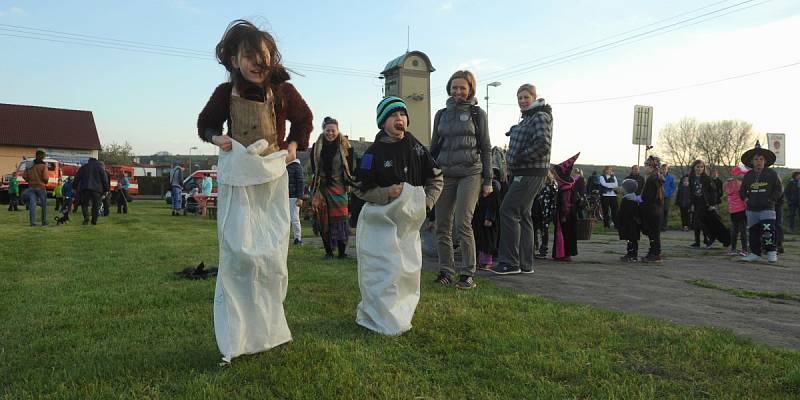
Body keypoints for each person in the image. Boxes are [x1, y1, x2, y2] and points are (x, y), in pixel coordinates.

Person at [196, 19, 313, 364]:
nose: (256, 63)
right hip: (239, 174)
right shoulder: (224, 93)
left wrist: (294, 145)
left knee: (271, 254)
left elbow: (305, 120)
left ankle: (268, 328)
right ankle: (238, 331)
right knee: (238, 251)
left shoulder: (283, 91)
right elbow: (206, 123)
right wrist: (217, 137)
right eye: (249, 56)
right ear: (234, 60)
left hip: (272, 175)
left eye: (262, 56)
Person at [353, 96, 443, 335]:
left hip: (408, 223)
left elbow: (436, 177)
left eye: (402, 114)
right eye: (393, 115)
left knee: (407, 269)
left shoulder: (417, 148)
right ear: (383, 122)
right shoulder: (373, 153)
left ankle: (401, 313)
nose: (399, 119)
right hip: (381, 220)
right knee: (384, 268)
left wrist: (427, 203)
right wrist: (385, 192)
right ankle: (379, 314)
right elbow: (359, 188)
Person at [430, 70, 492, 289]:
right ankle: (446, 271)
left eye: (462, 88)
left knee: (462, 223)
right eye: (454, 87)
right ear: (449, 88)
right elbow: (434, 147)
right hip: (445, 174)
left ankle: (467, 274)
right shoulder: (440, 114)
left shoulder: (477, 114)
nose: (458, 91)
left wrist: (488, 180)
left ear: (470, 89)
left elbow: (485, 148)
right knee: (442, 226)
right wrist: (430, 173)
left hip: (470, 173)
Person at [491, 83, 552, 275]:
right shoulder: (529, 118)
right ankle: (526, 264)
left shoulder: (540, 116)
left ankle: (510, 262)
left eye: (526, 97)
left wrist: (518, 157)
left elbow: (543, 143)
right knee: (523, 215)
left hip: (530, 172)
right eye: (520, 98)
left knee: (508, 210)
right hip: (526, 172)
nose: (523, 101)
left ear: (534, 98)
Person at [310, 117, 355, 259]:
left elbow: (351, 167)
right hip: (322, 189)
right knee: (324, 221)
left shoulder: (345, 147)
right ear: (323, 130)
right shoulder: (316, 147)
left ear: (337, 130)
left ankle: (342, 253)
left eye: (333, 130)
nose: (330, 133)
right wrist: (317, 189)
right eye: (327, 130)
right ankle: (328, 252)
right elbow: (314, 169)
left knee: (342, 220)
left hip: (340, 188)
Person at [739, 142, 783, 263]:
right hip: (752, 209)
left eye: (761, 159)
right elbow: (742, 190)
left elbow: (778, 189)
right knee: (753, 232)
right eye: (756, 159)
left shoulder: (772, 174)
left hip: (767, 208)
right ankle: (755, 253)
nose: (759, 161)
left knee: (768, 230)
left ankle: (771, 252)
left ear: (765, 161)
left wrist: (771, 200)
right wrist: (746, 199)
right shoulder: (748, 176)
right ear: (752, 161)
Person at [688, 159, 727, 248]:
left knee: (703, 222)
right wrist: (692, 204)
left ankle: (711, 238)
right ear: (694, 168)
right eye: (698, 167)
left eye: (702, 167)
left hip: (706, 203)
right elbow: (691, 192)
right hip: (696, 202)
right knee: (696, 222)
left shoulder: (707, 178)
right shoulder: (691, 178)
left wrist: (712, 204)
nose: (700, 169)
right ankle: (697, 242)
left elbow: (713, 192)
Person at [551, 153, 581, 261]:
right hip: (569, 214)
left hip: (566, 215)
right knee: (566, 234)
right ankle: (563, 254)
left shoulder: (565, 189)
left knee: (565, 234)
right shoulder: (567, 187)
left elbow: (566, 203)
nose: (554, 176)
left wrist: (563, 215)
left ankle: (564, 254)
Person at [639, 156, 664, 263]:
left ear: (651, 167)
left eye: (646, 165)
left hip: (652, 210)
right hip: (655, 209)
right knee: (653, 233)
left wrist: (638, 199)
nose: (644, 168)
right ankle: (653, 252)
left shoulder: (652, 179)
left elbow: (648, 197)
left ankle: (655, 254)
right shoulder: (656, 177)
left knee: (653, 233)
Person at [473, 178, 502, 270]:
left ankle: (486, 262)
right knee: (479, 238)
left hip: (488, 219)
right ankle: (480, 260)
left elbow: (494, 204)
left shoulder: (493, 186)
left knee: (487, 239)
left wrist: (490, 217)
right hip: (479, 217)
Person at [73, 157, 110, 225]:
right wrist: (106, 189)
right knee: (96, 205)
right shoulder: (100, 168)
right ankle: (94, 221)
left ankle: (86, 218)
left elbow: (77, 177)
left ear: (89, 161)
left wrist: (74, 187)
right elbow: (104, 179)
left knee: (84, 205)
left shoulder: (84, 167)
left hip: (85, 189)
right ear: (96, 161)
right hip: (97, 190)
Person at [724, 164, 748, 256]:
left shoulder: (727, 184)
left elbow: (725, 192)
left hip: (733, 211)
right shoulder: (741, 184)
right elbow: (744, 196)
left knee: (734, 230)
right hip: (742, 210)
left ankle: (733, 249)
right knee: (743, 231)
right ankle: (744, 250)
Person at [532, 172, 557, 259]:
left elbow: (553, 202)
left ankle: (542, 250)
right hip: (539, 212)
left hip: (543, 213)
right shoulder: (546, 187)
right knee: (538, 230)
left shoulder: (549, 188)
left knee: (542, 231)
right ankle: (536, 248)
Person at [616, 179, 641, 262]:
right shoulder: (632, 198)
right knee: (630, 240)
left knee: (631, 240)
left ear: (627, 189)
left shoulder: (629, 200)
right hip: (630, 224)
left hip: (630, 224)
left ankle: (632, 255)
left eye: (623, 187)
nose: (621, 188)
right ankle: (630, 254)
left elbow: (627, 213)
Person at [23, 150, 49, 226]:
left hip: (31, 187)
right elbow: (45, 177)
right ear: (42, 156)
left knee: (32, 205)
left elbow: (24, 176)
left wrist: (29, 181)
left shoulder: (29, 165)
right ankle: (44, 222)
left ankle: (32, 222)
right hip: (41, 187)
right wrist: (45, 182)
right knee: (44, 205)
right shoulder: (43, 166)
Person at [286, 157, 304, 245]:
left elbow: (300, 182)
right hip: (285, 196)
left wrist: (300, 197)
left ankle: (298, 238)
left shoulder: (297, 166)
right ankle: (285, 238)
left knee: (294, 218)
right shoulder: (285, 166)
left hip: (294, 197)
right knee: (286, 219)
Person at [661, 163, 676, 231]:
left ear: (667, 170)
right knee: (659, 211)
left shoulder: (670, 177)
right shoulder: (659, 176)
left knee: (665, 211)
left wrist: (669, 192)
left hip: (667, 196)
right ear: (661, 169)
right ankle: (659, 226)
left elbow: (673, 187)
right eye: (663, 169)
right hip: (659, 197)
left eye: (665, 169)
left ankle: (664, 226)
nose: (664, 170)